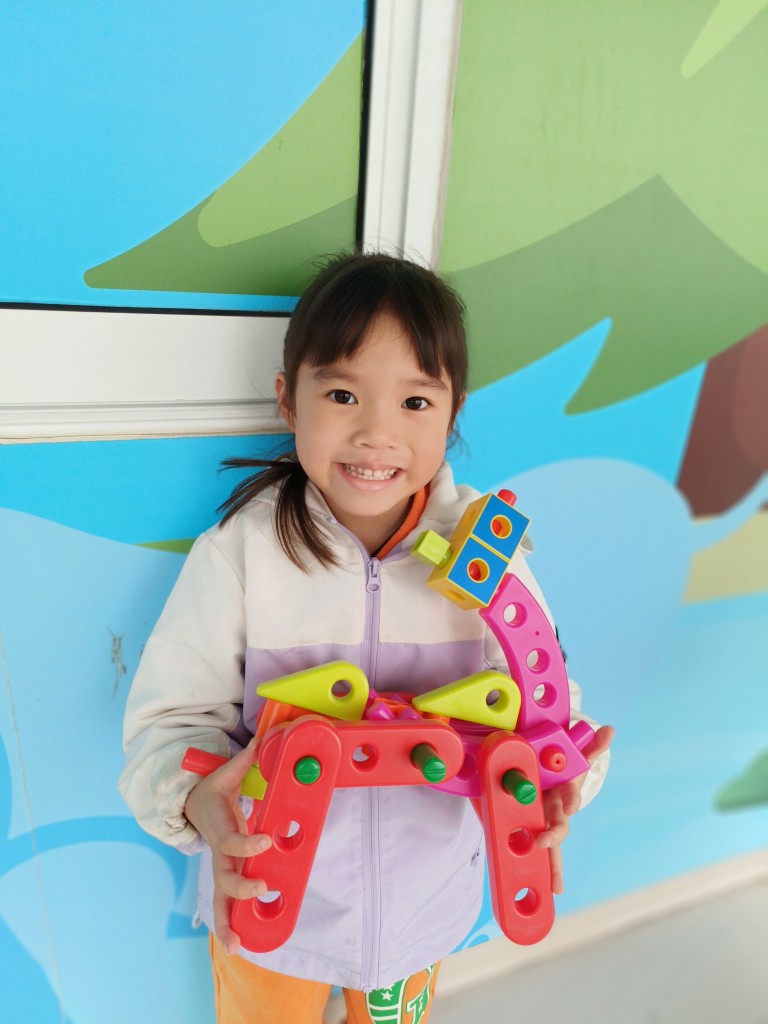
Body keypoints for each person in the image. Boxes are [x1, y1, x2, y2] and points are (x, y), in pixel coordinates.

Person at [119, 251, 612, 1024]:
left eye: (415, 402)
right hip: (269, 914)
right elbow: (169, 724)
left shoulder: (493, 560)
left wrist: (562, 780)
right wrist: (193, 802)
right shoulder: (242, 554)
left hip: (420, 919)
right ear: (289, 400)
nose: (377, 433)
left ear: (452, 413)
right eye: (343, 394)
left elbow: (551, 712)